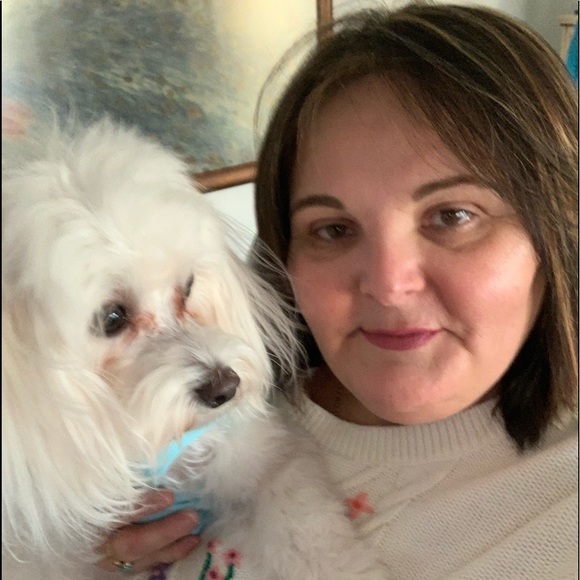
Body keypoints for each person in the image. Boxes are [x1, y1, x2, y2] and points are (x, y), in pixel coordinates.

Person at [97, 3, 578, 578]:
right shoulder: (203, 413)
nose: (388, 286)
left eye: (452, 216)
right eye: (333, 229)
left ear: (556, 228)